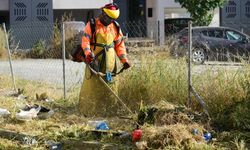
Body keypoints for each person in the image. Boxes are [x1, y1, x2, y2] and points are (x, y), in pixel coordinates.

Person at [79, 3, 131, 117]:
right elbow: (85, 41)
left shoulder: (115, 26)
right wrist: (88, 54)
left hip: (111, 64)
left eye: (113, 19)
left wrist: (124, 61)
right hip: (95, 62)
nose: (110, 21)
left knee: (110, 86)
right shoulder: (92, 24)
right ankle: (90, 111)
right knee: (93, 87)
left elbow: (120, 45)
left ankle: (109, 110)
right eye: (109, 18)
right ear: (103, 14)